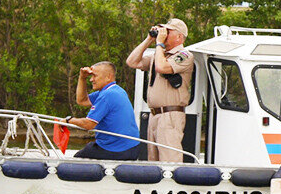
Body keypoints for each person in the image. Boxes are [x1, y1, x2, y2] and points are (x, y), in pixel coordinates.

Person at [126, 17, 195, 161]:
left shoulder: (184, 55)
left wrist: (159, 45)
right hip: (154, 115)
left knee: (170, 159)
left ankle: (172, 184)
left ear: (179, 37)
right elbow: (132, 62)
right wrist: (149, 40)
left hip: (170, 115)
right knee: (154, 161)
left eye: (168, 31)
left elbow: (161, 67)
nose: (163, 34)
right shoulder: (158, 56)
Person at [67, 61, 144, 160]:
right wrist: (82, 78)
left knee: (77, 159)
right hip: (132, 148)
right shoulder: (116, 90)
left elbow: (88, 124)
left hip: (118, 149)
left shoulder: (107, 95)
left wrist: (68, 120)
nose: (91, 79)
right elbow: (82, 100)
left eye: (94, 76)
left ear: (108, 77)